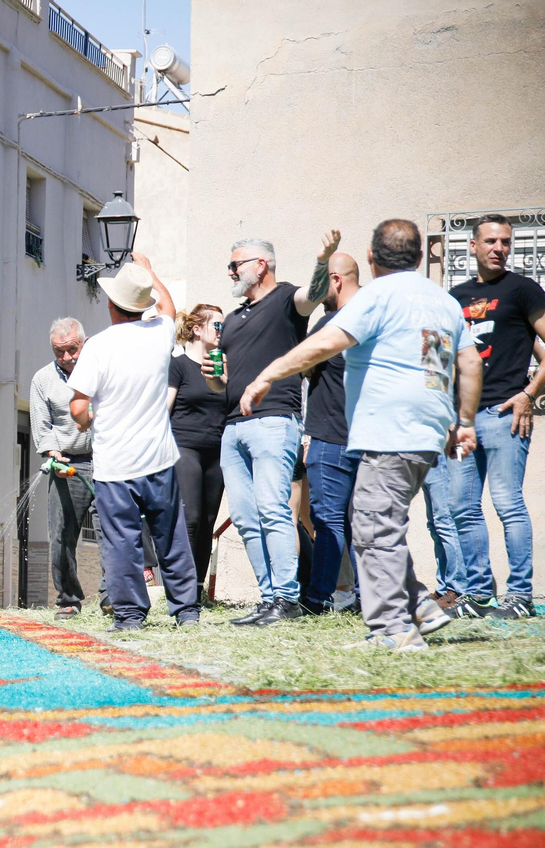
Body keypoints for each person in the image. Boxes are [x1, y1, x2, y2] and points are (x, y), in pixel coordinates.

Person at [240, 219, 482, 651]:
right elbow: (462, 363)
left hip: (390, 431)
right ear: (421, 256)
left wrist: (266, 375)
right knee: (378, 522)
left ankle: (394, 631)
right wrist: (462, 420)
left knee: (372, 527)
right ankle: (420, 604)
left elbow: (324, 344)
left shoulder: (377, 297)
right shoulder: (439, 301)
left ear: (372, 259)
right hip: (426, 429)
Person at [206, 231, 341, 625]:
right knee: (246, 518)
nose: (230, 272)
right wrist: (213, 378)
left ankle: (287, 598)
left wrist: (323, 259)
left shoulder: (286, 300)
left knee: (273, 510)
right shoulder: (230, 321)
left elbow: (313, 296)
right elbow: (221, 382)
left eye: (236, 265)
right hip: (233, 427)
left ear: (260, 265)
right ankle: (269, 600)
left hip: (275, 420)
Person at [67, 258, 199, 631]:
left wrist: (91, 418)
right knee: (170, 536)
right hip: (158, 457)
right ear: (142, 305)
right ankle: (186, 612)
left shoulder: (99, 346)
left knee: (122, 543)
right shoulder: (159, 334)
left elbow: (78, 407)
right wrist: (149, 272)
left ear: (111, 305)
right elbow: (169, 307)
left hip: (115, 463)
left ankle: (129, 617)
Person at [448, 214, 545, 618]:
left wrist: (528, 394)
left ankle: (520, 596)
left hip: (505, 414)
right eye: (489, 241)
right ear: (473, 246)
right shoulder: (453, 297)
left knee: (508, 504)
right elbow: (439, 360)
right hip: (463, 420)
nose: (498, 248)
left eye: (505, 242)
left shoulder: (523, 290)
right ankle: (477, 595)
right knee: (462, 508)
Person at [298, 254, 363, 615]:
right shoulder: (375, 318)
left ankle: (317, 597)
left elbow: (305, 367)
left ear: (336, 280)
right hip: (367, 439)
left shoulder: (331, 323)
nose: (317, 292)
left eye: (322, 283)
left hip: (330, 436)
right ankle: (365, 599)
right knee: (362, 523)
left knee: (327, 520)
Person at [31, 317, 102, 618]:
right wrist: (53, 454)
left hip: (105, 460)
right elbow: (42, 425)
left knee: (112, 531)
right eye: (59, 351)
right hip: (67, 463)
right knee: (61, 535)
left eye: (72, 349)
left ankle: (113, 595)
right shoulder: (42, 380)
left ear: (83, 343)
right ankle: (68, 599)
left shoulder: (101, 368)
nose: (66, 357)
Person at [167, 303, 226, 593]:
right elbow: (165, 409)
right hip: (185, 447)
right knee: (189, 518)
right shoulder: (178, 365)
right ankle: (182, 590)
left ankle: (198, 588)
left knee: (207, 520)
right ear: (196, 329)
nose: (221, 331)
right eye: (217, 325)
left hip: (216, 451)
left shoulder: (222, 367)